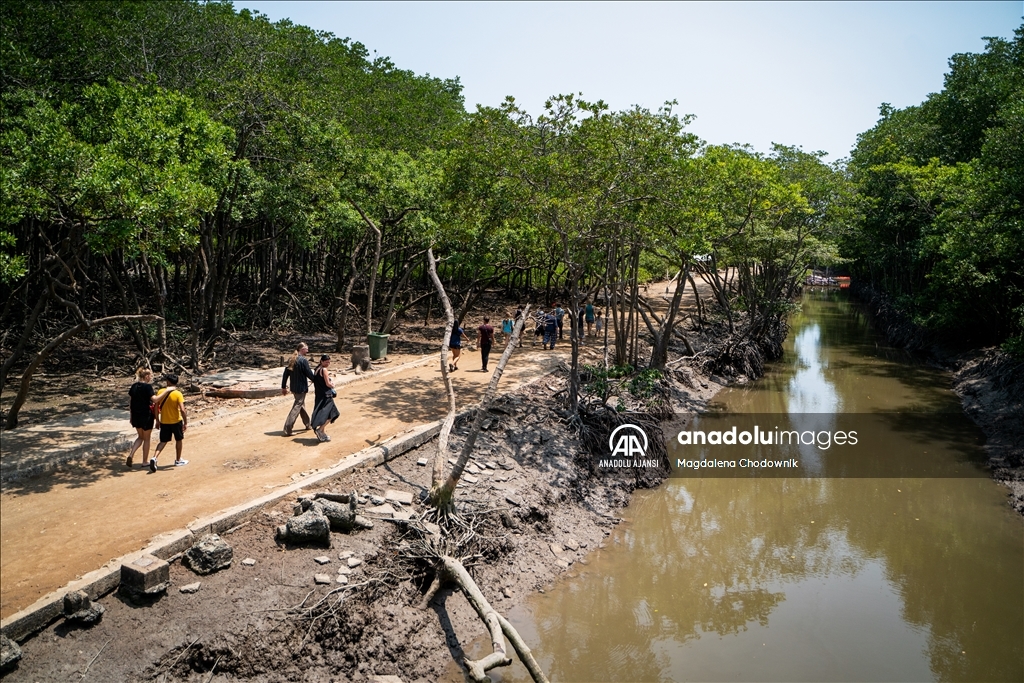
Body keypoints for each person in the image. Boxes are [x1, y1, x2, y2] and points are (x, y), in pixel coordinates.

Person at [150, 374, 188, 472]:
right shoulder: (178, 394)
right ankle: (178, 460)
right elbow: (183, 410)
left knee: (163, 441)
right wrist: (185, 422)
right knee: (179, 440)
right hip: (176, 421)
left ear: (168, 382)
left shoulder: (160, 392)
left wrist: (157, 420)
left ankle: (154, 457)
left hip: (164, 421)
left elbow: (156, 408)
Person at [281, 342, 316, 436]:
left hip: (294, 387)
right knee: (297, 406)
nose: (307, 351)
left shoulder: (291, 359)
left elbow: (285, 374)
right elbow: (309, 373)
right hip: (301, 388)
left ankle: (308, 424)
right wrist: (317, 381)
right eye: (306, 349)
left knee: (301, 405)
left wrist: (283, 387)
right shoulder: (303, 361)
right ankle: (288, 428)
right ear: (301, 349)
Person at [126, 367, 155, 468]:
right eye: (150, 375)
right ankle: (145, 461)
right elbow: (154, 399)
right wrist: (166, 392)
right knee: (146, 438)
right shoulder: (148, 387)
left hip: (136, 415)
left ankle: (131, 454)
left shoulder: (134, 386)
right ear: (146, 376)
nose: (151, 378)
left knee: (140, 437)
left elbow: (131, 402)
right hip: (146, 415)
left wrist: (131, 416)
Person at [310, 355, 339, 442]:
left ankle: (322, 433)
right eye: (326, 362)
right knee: (333, 413)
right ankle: (320, 429)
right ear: (321, 361)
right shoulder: (324, 370)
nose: (328, 364)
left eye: (329, 362)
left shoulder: (316, 369)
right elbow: (328, 384)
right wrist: (333, 385)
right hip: (326, 395)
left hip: (319, 395)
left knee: (324, 413)